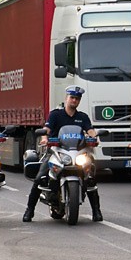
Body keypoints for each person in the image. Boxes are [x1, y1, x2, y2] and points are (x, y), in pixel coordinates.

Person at [23, 85, 103, 223]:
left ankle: (96, 211)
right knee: (40, 177)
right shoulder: (55, 114)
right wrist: (44, 138)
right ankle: (29, 211)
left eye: (77, 99)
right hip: (56, 151)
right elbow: (47, 129)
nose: (74, 100)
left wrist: (94, 137)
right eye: (72, 97)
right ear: (66, 98)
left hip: (77, 152)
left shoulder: (82, 117)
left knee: (90, 177)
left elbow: (90, 130)